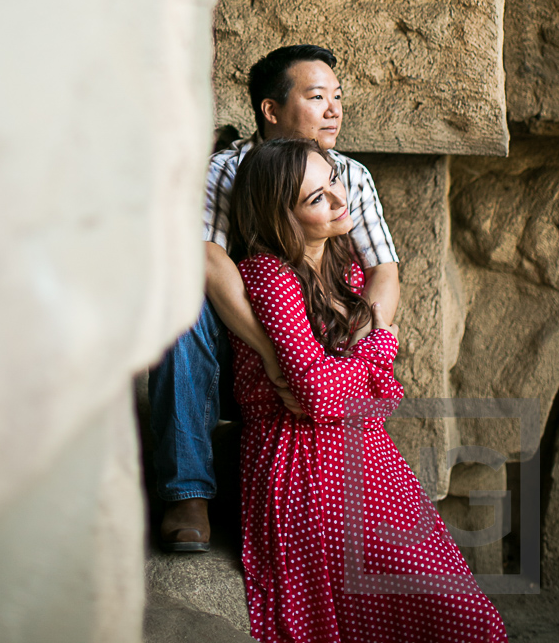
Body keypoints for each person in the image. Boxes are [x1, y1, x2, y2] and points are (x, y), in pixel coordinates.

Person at [228, 137, 507, 643]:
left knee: (467, 617)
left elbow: (378, 400)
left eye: (333, 180)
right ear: (281, 217)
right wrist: (377, 349)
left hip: (372, 454)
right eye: (317, 198)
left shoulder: (344, 268)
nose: (339, 198)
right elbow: (317, 393)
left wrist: (354, 372)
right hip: (302, 464)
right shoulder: (268, 274)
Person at [149, 44, 400, 551]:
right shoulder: (223, 170)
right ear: (271, 110)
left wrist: (357, 350)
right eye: (316, 97)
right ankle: (188, 494)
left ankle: (348, 498)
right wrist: (274, 352)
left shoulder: (350, 175)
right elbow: (206, 259)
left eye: (337, 97)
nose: (334, 110)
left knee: (353, 296)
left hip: (320, 350)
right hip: (242, 344)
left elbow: (384, 272)